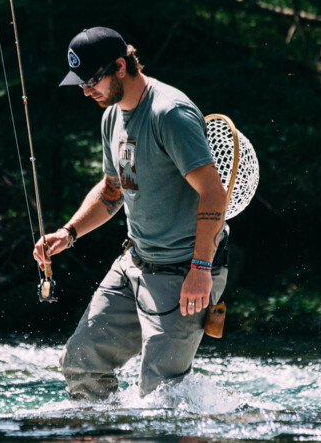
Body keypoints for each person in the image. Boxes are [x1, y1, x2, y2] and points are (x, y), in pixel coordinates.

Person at [33, 27, 229, 399]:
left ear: (120, 66)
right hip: (134, 264)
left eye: (92, 80)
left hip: (185, 271)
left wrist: (201, 269)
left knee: (160, 395)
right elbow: (112, 190)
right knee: (81, 360)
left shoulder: (169, 113)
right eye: (80, 84)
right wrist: (69, 232)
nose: (87, 92)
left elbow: (214, 194)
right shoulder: (111, 117)